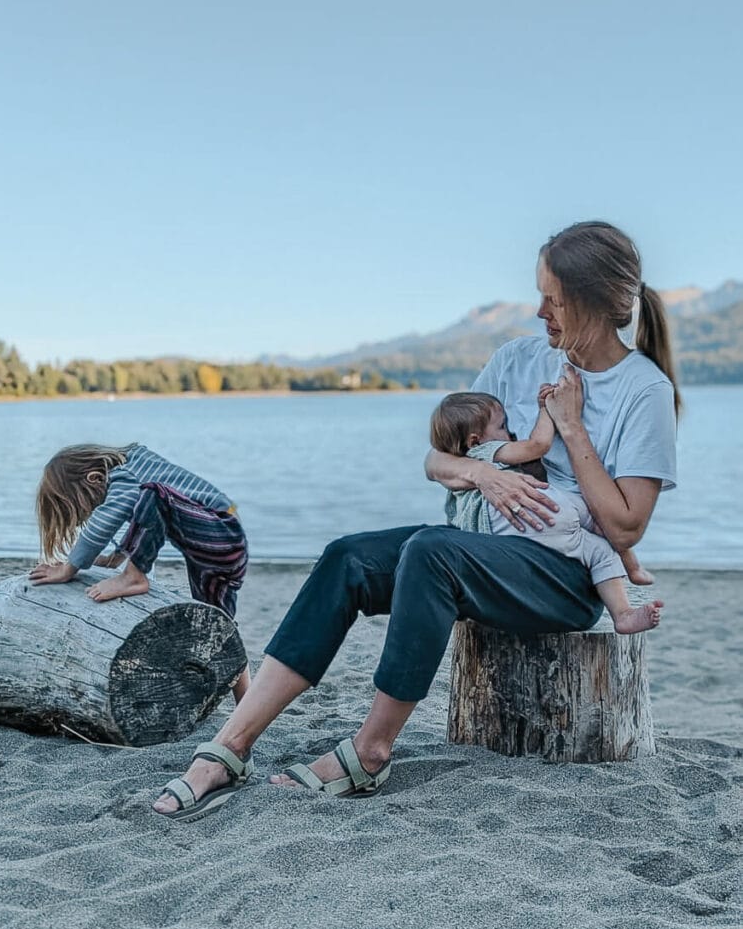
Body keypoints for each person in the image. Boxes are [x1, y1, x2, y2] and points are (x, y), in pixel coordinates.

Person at [152, 220, 678, 821]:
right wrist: (484, 474)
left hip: (569, 572)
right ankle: (230, 745)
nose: (540, 312)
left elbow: (627, 527)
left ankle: (370, 750)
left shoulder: (644, 391)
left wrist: (573, 427)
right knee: (348, 557)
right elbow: (437, 460)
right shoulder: (517, 359)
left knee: (431, 550)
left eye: (553, 300)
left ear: (591, 301)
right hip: (487, 547)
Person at [28, 442, 250, 701]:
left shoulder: (125, 474)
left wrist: (69, 567)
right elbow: (147, 521)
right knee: (220, 625)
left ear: (95, 478)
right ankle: (246, 700)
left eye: (88, 507)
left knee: (154, 493)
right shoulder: (138, 469)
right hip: (220, 546)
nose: (91, 514)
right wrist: (117, 557)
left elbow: (111, 516)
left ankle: (133, 577)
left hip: (220, 531)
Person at [430, 390, 662, 634]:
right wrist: (546, 410)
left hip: (514, 533)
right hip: (543, 508)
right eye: (502, 426)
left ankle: (628, 591)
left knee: (597, 545)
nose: (510, 433)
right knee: (602, 529)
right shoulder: (486, 452)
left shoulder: (458, 475)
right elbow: (537, 445)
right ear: (475, 441)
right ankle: (624, 603)